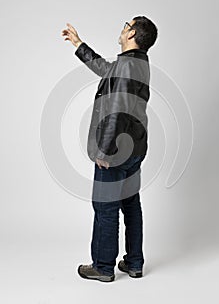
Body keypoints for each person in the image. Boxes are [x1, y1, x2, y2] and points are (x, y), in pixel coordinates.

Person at [61, 16, 158, 282]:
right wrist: (79, 44)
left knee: (105, 207)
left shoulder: (128, 66)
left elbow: (117, 111)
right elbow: (106, 69)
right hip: (135, 149)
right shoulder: (138, 63)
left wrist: (105, 152)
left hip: (116, 152)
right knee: (131, 204)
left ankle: (103, 267)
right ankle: (135, 263)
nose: (123, 27)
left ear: (132, 33)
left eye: (127, 25)